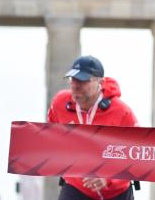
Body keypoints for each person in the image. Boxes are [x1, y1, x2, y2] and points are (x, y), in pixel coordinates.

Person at [48, 55, 139, 200]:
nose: (76, 85)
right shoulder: (59, 103)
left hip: (116, 192)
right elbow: (50, 136)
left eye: (83, 80)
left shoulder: (122, 112)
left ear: (100, 83)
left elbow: (136, 154)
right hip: (75, 187)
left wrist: (108, 176)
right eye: (73, 79)